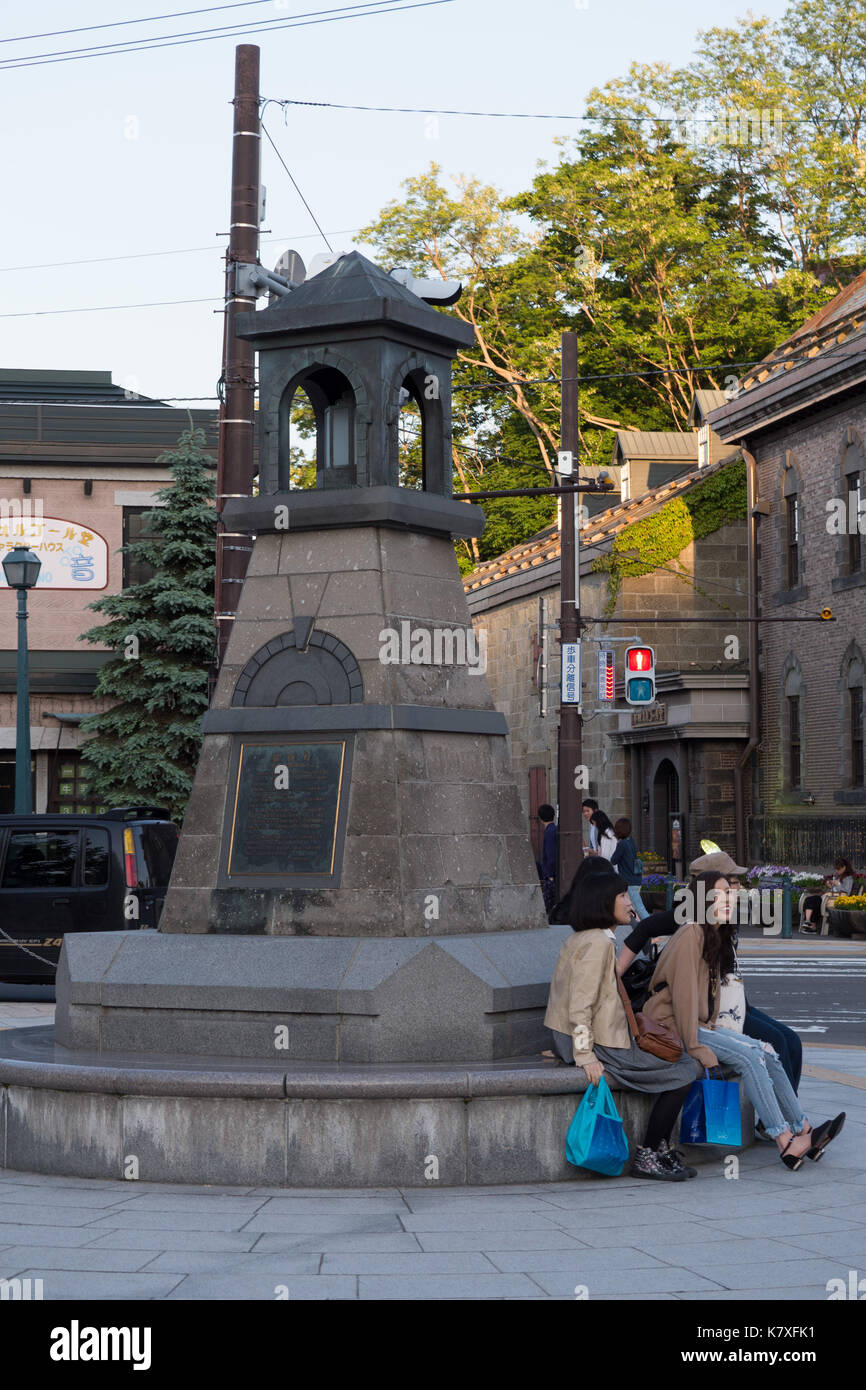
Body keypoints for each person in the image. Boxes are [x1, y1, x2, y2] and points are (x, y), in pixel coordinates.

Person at [640, 870, 845, 1170]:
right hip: (674, 1026)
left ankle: (802, 1128)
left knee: (767, 1052)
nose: (728, 900)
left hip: (700, 1025)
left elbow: (710, 995)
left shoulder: (711, 933)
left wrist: (712, 1029)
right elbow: (683, 999)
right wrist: (696, 1046)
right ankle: (784, 1140)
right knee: (750, 1057)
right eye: (721, 894)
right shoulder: (690, 933)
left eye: (730, 894)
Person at [545, 871, 701, 1181]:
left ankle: (658, 1150)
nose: (630, 903)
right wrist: (585, 1055)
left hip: (586, 1035)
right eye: (623, 897)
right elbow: (581, 1003)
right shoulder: (598, 943)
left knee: (679, 1062)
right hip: (596, 1041)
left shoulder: (585, 937)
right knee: (684, 1069)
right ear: (605, 902)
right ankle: (649, 1154)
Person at [614, 850, 803, 1094]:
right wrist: (618, 969)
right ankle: (782, 1122)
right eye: (733, 882)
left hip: (733, 999)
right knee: (775, 1041)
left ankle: (793, 1112)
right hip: (713, 1009)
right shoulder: (691, 918)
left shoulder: (726, 913)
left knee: (792, 1041)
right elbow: (647, 927)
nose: (737, 887)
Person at [801, 856, 855, 934]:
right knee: (810, 900)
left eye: (838, 869)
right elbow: (834, 890)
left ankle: (812, 925)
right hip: (829, 898)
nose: (837, 871)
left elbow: (847, 892)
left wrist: (837, 885)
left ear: (844, 867)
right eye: (836, 869)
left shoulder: (848, 878)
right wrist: (831, 886)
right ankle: (808, 922)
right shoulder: (839, 876)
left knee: (815, 900)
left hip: (835, 900)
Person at [610, 817, 649, 921]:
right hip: (636, 879)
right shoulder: (631, 841)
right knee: (632, 907)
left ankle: (653, 927)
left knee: (639, 907)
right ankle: (638, 927)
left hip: (629, 881)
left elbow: (613, 860)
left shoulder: (622, 844)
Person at [538, 803, 558, 917]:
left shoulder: (549, 832)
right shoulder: (554, 829)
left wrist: (550, 873)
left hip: (550, 873)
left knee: (549, 902)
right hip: (552, 871)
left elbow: (550, 854)